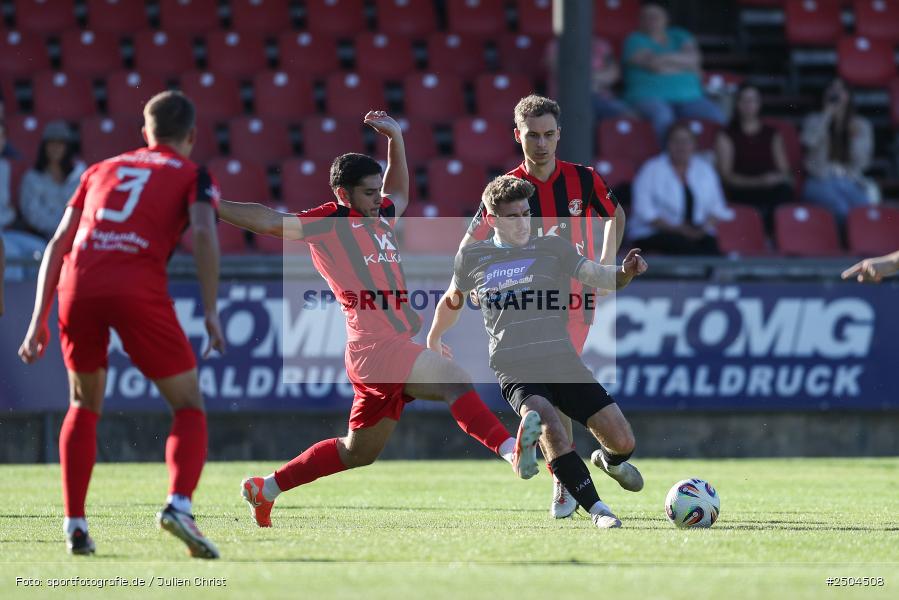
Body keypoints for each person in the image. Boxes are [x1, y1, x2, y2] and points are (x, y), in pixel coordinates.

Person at [220, 111, 543, 528]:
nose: (379, 199)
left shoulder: (381, 215)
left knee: (358, 452)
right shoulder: (330, 222)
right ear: (343, 193)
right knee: (454, 380)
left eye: (377, 191)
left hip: (382, 351)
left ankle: (265, 488)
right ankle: (512, 453)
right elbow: (266, 221)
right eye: (369, 193)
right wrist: (208, 203)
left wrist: (397, 139)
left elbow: (400, 191)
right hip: (376, 347)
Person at [17, 91, 225, 559]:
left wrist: (38, 321)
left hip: (79, 286)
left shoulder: (98, 169)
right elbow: (206, 231)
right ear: (191, 136)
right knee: (188, 404)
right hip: (136, 286)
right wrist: (211, 310)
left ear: (143, 133)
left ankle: (74, 523)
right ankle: (179, 505)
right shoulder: (193, 173)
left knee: (82, 403)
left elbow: (57, 243)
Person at [428, 176, 647, 528]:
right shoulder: (473, 257)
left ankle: (610, 461)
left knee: (623, 440)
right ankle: (598, 511)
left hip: (561, 360)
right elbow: (452, 300)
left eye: (526, 213)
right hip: (514, 367)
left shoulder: (553, 247)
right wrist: (434, 338)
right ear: (492, 218)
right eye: (512, 216)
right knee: (549, 426)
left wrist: (624, 272)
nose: (523, 222)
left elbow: (596, 275)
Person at [457, 94, 626, 519]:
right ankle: (564, 483)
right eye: (532, 135)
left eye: (549, 135)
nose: (541, 144)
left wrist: (605, 265)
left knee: (554, 392)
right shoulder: (508, 191)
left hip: (575, 301)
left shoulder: (583, 180)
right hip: (527, 309)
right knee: (548, 392)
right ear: (518, 136)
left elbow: (615, 215)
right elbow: (468, 244)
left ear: (559, 135)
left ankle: (566, 464)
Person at [622, 1, 725, 141]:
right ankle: (666, 160)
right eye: (645, 16)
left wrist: (662, 60)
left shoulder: (680, 35)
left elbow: (694, 59)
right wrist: (683, 65)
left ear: (666, 18)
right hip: (649, 97)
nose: (650, 20)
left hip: (690, 97)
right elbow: (654, 65)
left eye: (655, 16)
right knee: (663, 116)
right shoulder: (634, 39)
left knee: (717, 117)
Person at [630, 122, 730, 255]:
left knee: (711, 247)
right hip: (656, 232)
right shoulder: (651, 169)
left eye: (687, 141)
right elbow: (644, 210)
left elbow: (717, 207)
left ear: (694, 145)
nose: (681, 146)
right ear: (668, 144)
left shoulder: (705, 170)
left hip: (697, 232)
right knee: (683, 246)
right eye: (676, 141)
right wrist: (678, 229)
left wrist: (702, 230)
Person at [715, 84, 793, 231]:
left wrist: (775, 179)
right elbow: (726, 176)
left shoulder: (772, 133)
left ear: (759, 104)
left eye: (753, 100)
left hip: (770, 188)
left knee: (784, 191)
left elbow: (785, 170)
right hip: (742, 188)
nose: (748, 105)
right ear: (737, 104)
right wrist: (758, 182)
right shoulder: (726, 135)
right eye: (744, 100)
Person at [801, 78, 875, 223]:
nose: (836, 93)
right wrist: (827, 115)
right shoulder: (813, 120)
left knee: (865, 209)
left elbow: (864, 162)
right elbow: (808, 142)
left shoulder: (861, 124)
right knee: (841, 210)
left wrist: (854, 137)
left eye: (841, 90)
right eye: (832, 89)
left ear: (848, 96)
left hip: (849, 179)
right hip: (819, 179)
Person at [19, 121, 85, 239]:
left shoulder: (79, 175)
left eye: (60, 143)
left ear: (67, 147)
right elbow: (32, 213)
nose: (55, 148)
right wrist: (61, 229)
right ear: (44, 146)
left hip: (76, 236)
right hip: (41, 239)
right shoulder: (32, 178)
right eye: (51, 143)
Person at [545, 36, 634, 121]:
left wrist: (587, 79)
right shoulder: (557, 45)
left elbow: (614, 74)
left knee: (631, 115)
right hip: (569, 99)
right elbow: (563, 74)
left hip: (602, 98)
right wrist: (595, 82)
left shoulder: (601, 45)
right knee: (585, 115)